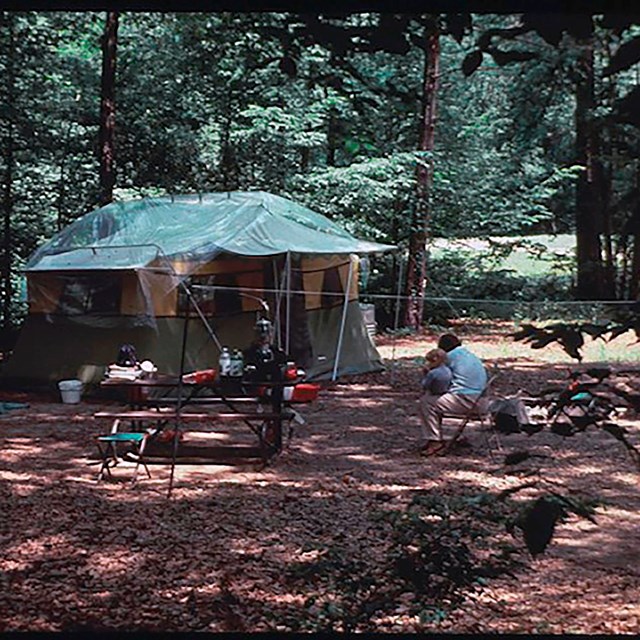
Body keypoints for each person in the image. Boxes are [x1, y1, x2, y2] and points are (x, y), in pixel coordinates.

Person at [419, 333, 487, 456]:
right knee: (434, 401)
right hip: (482, 400)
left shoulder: (447, 357)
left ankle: (435, 441)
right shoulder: (469, 355)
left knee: (427, 402)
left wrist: (427, 375)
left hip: (467, 401)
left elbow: (441, 379)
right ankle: (434, 438)